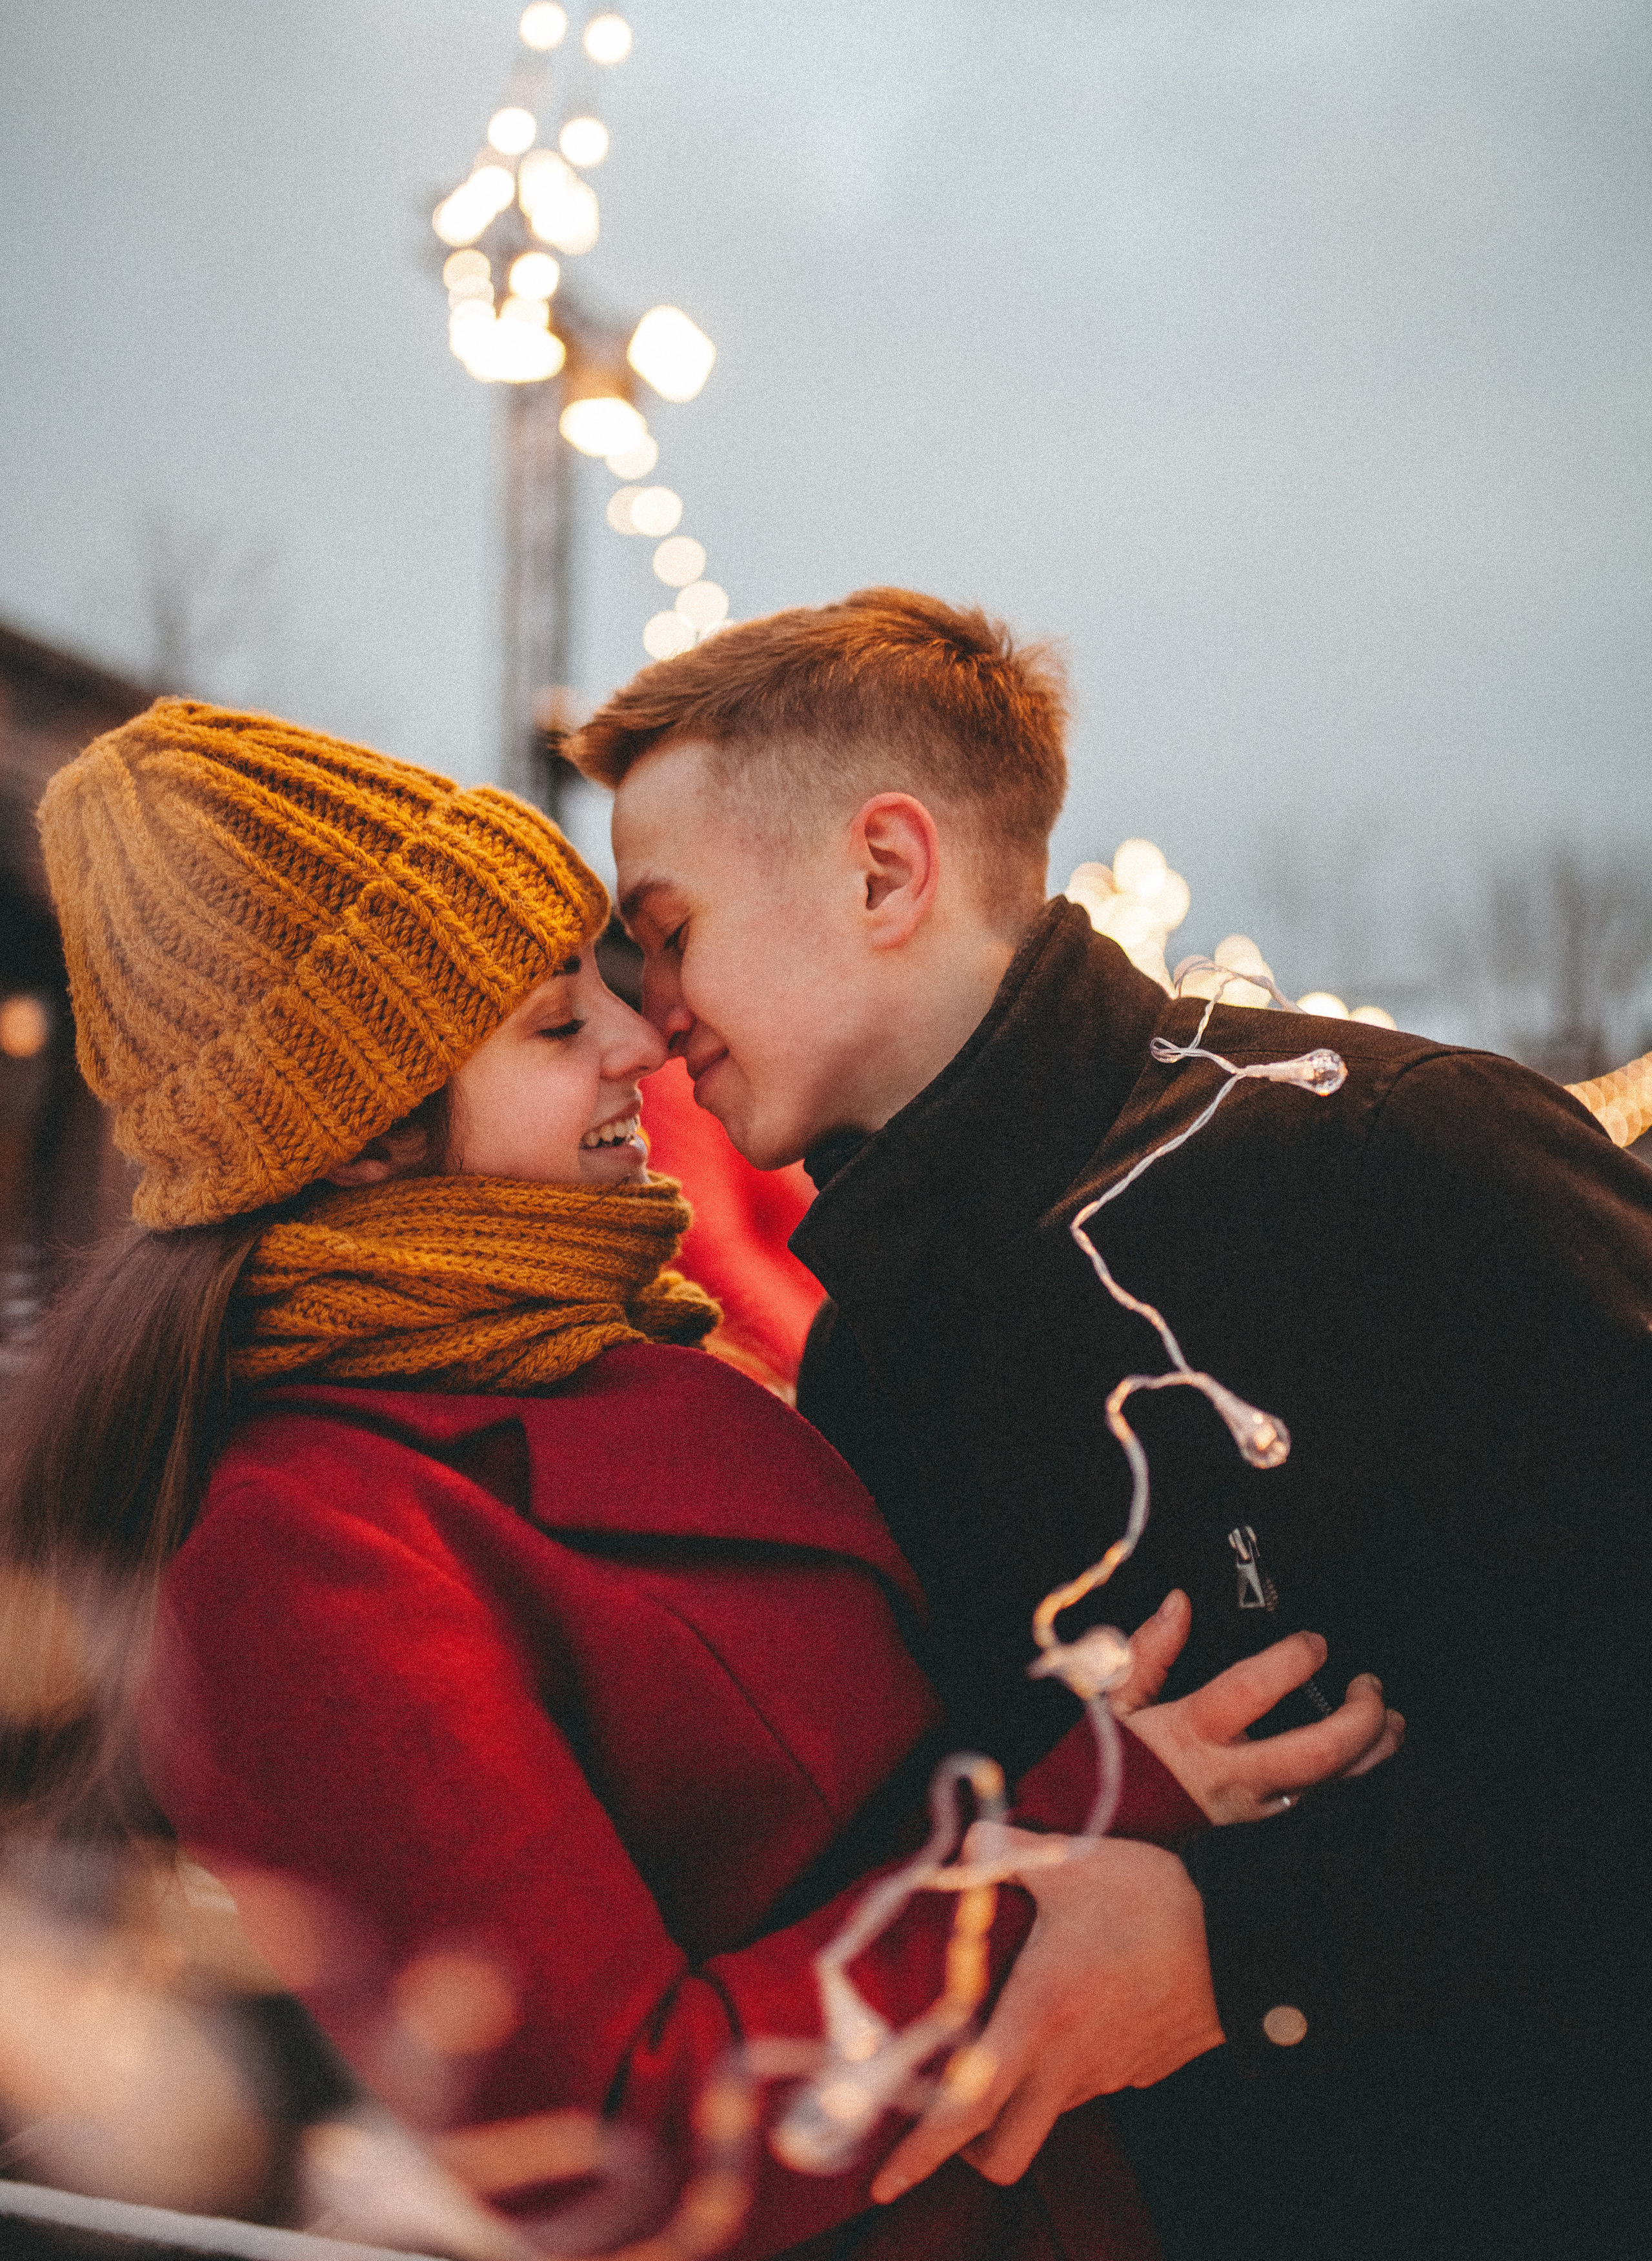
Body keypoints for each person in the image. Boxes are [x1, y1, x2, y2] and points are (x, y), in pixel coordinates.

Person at [0, 698, 1393, 2261]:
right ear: (356, 1145)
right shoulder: (307, 1548)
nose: (637, 1039)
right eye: (550, 1026)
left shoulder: (610, 1356)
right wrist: (1070, 1850)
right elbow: (602, 2142)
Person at [576, 588, 1652, 2261]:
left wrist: (1251, 1953)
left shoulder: (1403, 1163)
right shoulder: (873, 1357)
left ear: (884, 870)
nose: (645, 1011)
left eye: (666, 924)